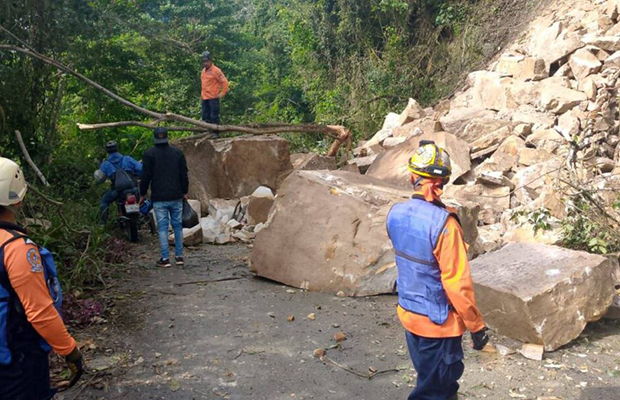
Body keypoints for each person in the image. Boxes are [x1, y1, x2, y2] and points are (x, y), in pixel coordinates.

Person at [386, 140, 489, 400]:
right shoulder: (445, 225)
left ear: (412, 176)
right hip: (439, 325)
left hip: (410, 315)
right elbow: (457, 284)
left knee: (434, 383)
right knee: (434, 392)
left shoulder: (395, 214)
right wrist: (476, 326)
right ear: (443, 182)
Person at [0, 157, 84, 399]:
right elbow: (39, 312)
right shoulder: (17, 249)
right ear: (18, 199)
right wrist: (70, 352)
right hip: (16, 363)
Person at [139, 128, 189, 268]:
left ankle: (165, 259)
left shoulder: (149, 154)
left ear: (155, 138)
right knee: (177, 226)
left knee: (162, 228)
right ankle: (179, 257)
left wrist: (142, 194)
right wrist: (185, 191)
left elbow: (145, 177)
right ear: (167, 137)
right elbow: (183, 174)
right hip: (176, 195)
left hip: (159, 197)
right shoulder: (177, 153)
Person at [97, 140, 143, 224]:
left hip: (117, 191)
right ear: (117, 148)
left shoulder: (106, 164)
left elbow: (99, 178)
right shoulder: (128, 159)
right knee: (143, 200)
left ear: (107, 150)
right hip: (133, 189)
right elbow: (141, 169)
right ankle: (142, 214)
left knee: (104, 201)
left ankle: (103, 224)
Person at [200, 51, 229, 139]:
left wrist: (222, 93)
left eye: (207, 61)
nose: (205, 63)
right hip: (205, 98)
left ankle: (216, 133)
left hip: (213, 98)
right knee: (205, 116)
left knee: (214, 116)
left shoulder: (216, 71)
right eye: (204, 61)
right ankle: (208, 132)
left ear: (210, 61)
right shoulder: (203, 71)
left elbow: (225, 82)